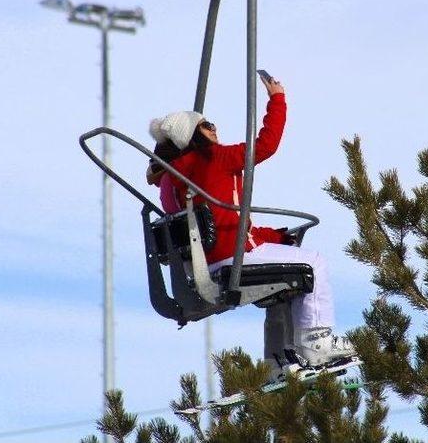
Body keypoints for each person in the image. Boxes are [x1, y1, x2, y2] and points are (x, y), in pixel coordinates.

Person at [146, 75, 354, 375]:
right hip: (234, 257)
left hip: (207, 265)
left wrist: (278, 238)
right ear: (193, 135)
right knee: (314, 264)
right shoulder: (216, 158)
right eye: (207, 125)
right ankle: (316, 343)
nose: (214, 128)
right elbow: (266, 145)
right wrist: (278, 99)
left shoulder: (169, 179)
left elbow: (224, 223)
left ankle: (277, 362)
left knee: (284, 286)